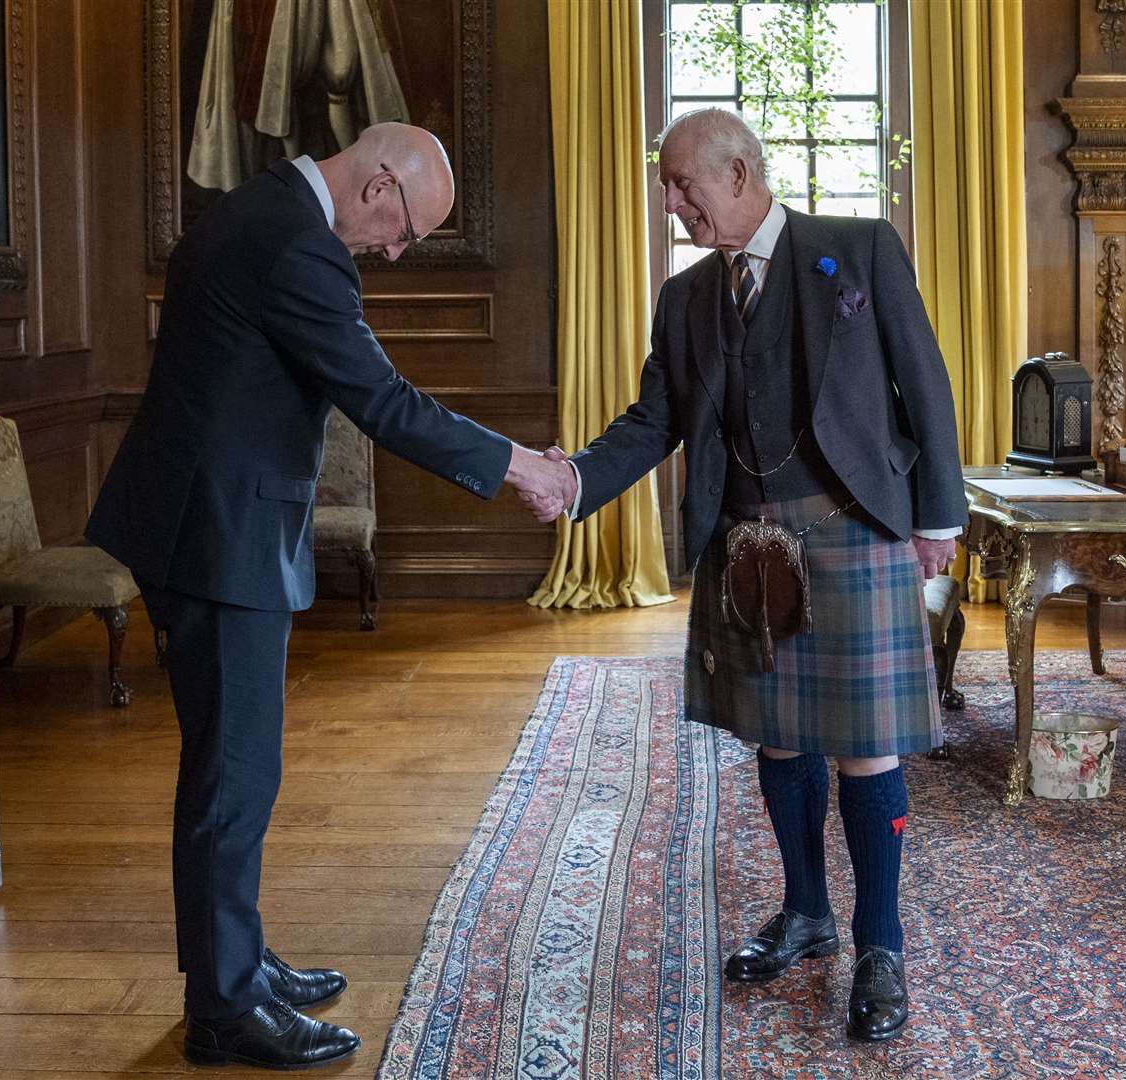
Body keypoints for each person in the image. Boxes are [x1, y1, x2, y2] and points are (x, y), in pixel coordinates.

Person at [86, 122, 575, 1070]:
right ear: (379, 183)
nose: (393, 251)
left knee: (232, 771)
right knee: (233, 779)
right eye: (403, 232)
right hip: (216, 537)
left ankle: (238, 965)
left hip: (199, 522)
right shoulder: (296, 246)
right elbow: (382, 401)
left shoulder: (255, 209)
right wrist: (517, 464)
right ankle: (224, 1012)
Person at [548, 108, 964, 1043]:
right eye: (666, 186)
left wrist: (940, 515)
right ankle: (806, 912)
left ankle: (880, 942)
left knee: (864, 744)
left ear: (739, 174)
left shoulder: (858, 250)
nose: (670, 202)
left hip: (852, 530)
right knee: (779, 739)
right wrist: (575, 478)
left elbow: (922, 378)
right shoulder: (686, 297)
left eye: (681, 183)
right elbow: (653, 422)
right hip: (746, 546)